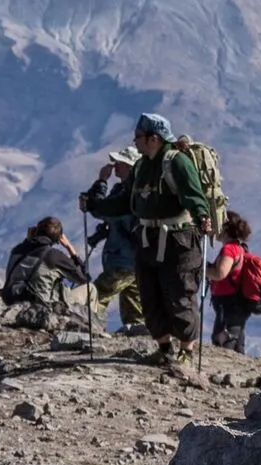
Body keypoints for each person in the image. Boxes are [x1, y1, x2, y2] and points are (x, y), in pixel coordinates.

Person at [80, 113, 210, 366]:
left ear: (154, 138)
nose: (135, 141)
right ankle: (164, 349)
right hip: (147, 238)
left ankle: (186, 351)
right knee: (149, 296)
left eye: (138, 137)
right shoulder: (141, 167)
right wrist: (95, 205)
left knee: (180, 294)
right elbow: (124, 203)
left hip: (178, 239)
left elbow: (194, 196)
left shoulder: (177, 163)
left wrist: (202, 216)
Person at [85, 146, 147, 334]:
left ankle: (89, 330)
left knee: (96, 296)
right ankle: (139, 340)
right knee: (134, 309)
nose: (115, 166)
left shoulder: (127, 195)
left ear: (129, 166)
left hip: (123, 261)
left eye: (120, 163)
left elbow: (100, 209)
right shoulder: (130, 191)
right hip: (136, 261)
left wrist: (101, 181)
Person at [0, 216, 91, 307]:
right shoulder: (55, 256)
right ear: (59, 238)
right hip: (38, 305)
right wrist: (70, 249)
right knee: (90, 289)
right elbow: (84, 278)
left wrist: (28, 241)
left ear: (35, 230)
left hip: (10, 299)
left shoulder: (17, 250)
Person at [206, 210, 257, 354]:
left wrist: (202, 270)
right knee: (236, 342)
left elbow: (220, 273)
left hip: (228, 303)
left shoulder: (229, 249)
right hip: (238, 303)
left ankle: (223, 373)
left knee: (222, 341)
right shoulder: (240, 248)